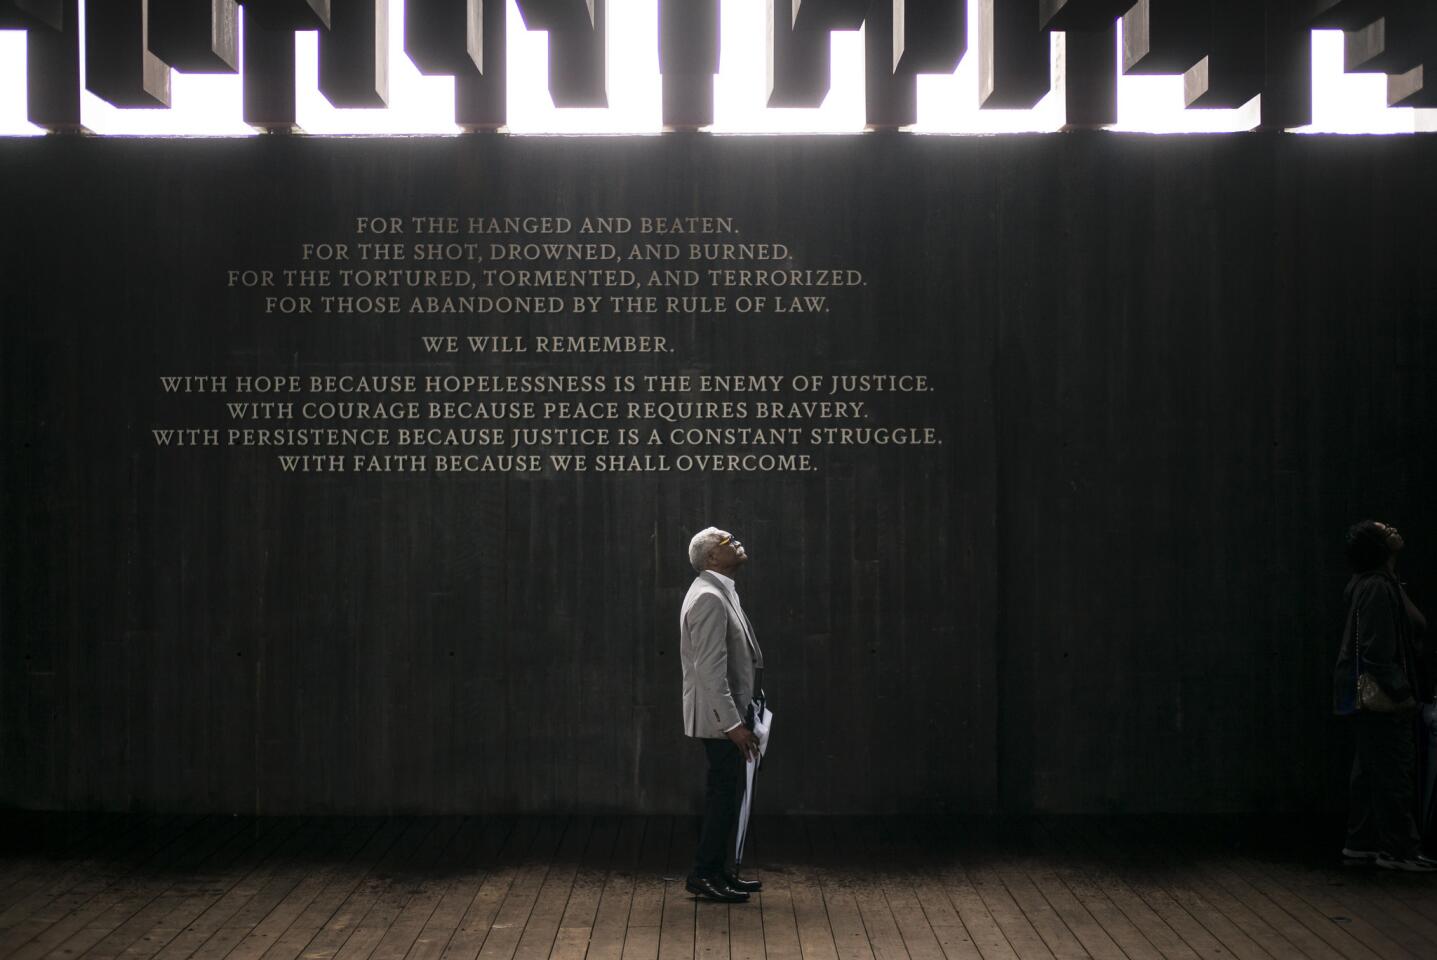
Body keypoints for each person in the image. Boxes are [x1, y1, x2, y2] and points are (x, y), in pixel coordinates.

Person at [1333, 520, 1435, 872]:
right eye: (1384, 529)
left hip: (1363, 696)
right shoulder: (1377, 587)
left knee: (1369, 769)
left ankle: (1360, 842)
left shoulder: (1377, 583)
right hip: (1382, 697)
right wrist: (1402, 693)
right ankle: (1400, 849)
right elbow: (1377, 651)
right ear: (1378, 546)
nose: (1392, 528)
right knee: (1394, 768)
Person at [679, 526, 766, 903]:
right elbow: (709, 670)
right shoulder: (709, 598)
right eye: (727, 541)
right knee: (722, 796)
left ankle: (717, 872)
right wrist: (733, 724)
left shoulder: (719, 591)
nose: (737, 542)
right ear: (712, 558)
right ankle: (703, 874)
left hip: (729, 712)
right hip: (720, 719)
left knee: (727, 795)